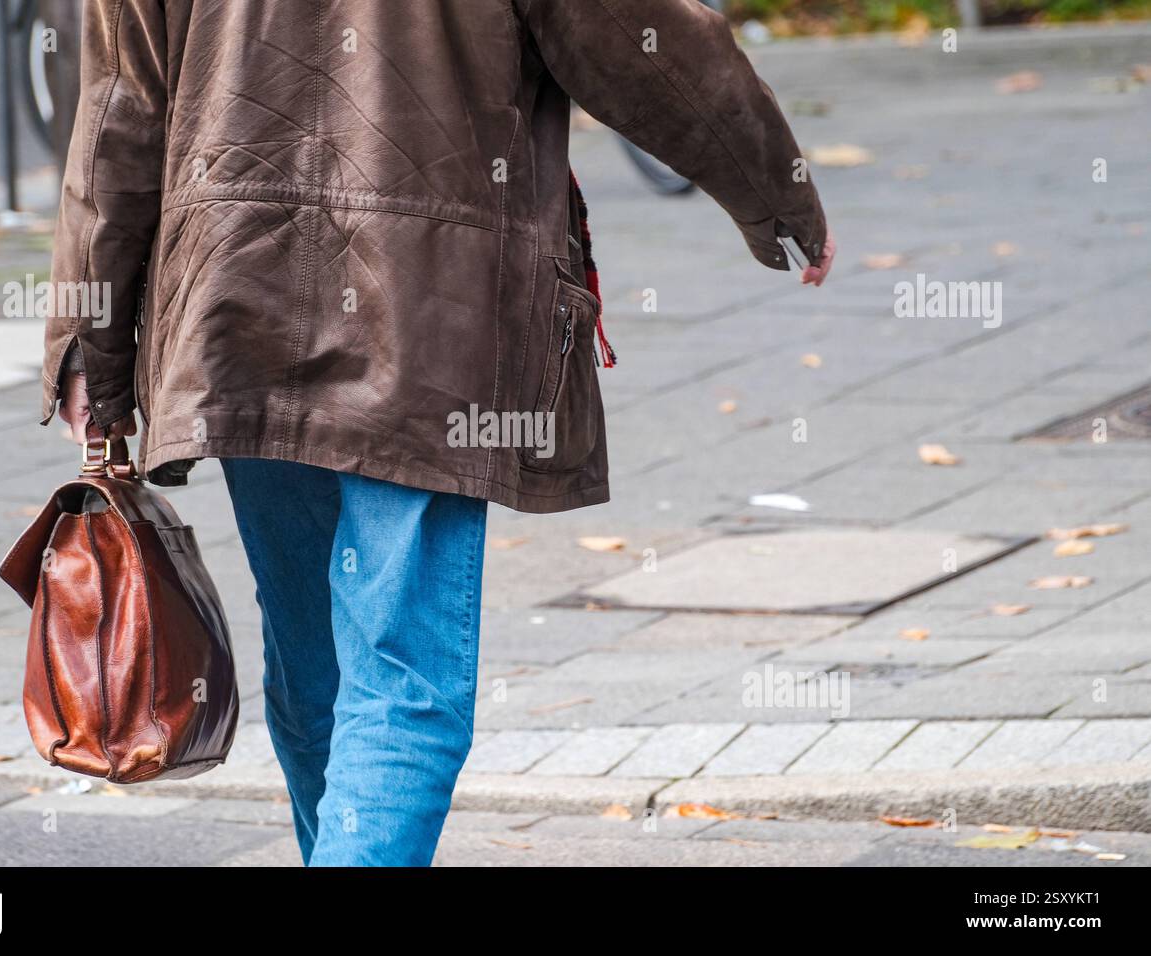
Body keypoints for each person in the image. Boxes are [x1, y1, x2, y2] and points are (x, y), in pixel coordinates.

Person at [48, 0, 834, 867]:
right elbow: (638, 34)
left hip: (238, 302)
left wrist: (91, 342)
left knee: (320, 665)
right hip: (429, 309)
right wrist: (774, 185)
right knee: (399, 680)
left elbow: (122, 104)